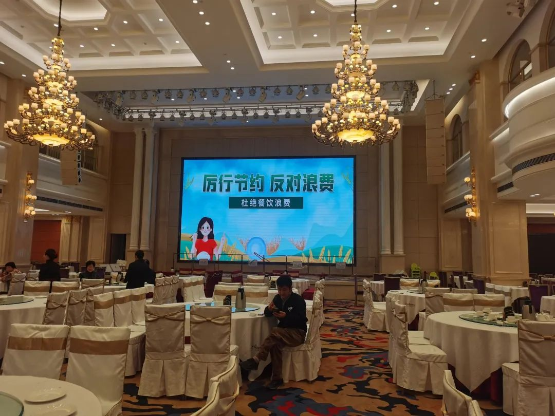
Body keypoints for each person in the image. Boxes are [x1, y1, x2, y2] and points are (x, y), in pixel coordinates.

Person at [239, 275, 307, 389]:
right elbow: (267, 313)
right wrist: (269, 309)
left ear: (290, 289)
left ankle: (256, 359)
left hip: (298, 333)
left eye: (284, 290)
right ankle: (277, 379)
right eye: (279, 289)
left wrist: (286, 316)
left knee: (275, 331)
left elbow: (302, 320)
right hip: (283, 332)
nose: (281, 293)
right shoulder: (277, 299)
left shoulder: (298, 300)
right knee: (274, 344)